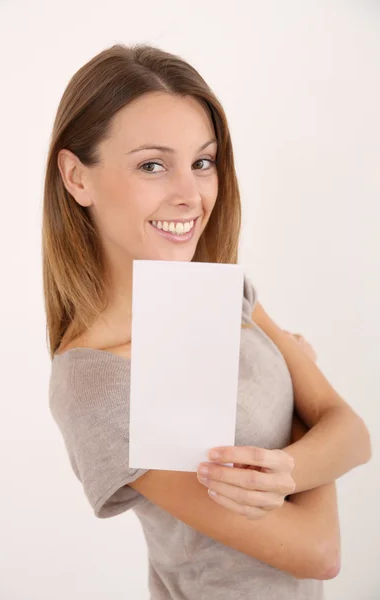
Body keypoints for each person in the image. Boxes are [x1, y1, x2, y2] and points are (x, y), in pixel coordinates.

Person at [44, 43, 371, 599]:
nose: (191, 194)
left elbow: (356, 433)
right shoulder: (98, 383)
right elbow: (319, 552)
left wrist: (283, 469)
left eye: (202, 162)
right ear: (77, 178)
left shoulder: (223, 292)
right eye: (152, 165)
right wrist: (302, 412)